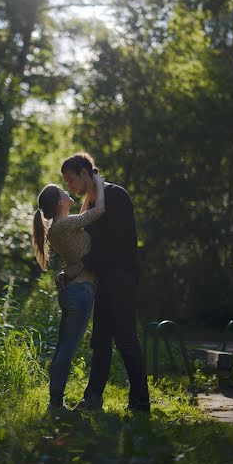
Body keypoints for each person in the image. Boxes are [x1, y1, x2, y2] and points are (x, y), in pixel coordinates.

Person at [59, 152, 150, 413]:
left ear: (85, 173)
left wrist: (82, 266)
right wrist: (71, 268)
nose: (69, 186)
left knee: (126, 339)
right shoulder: (90, 204)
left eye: (71, 179)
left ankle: (141, 404)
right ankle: (93, 400)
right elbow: (87, 246)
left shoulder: (115, 196)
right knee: (100, 341)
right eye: (65, 182)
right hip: (103, 279)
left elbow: (114, 245)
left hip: (121, 278)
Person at [32, 172, 106, 411]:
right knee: (66, 351)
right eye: (64, 193)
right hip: (81, 291)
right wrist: (100, 187)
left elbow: (83, 216)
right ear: (59, 203)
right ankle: (55, 404)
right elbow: (97, 212)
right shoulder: (65, 224)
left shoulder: (59, 226)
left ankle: (55, 402)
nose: (68, 193)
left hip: (72, 292)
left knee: (62, 350)